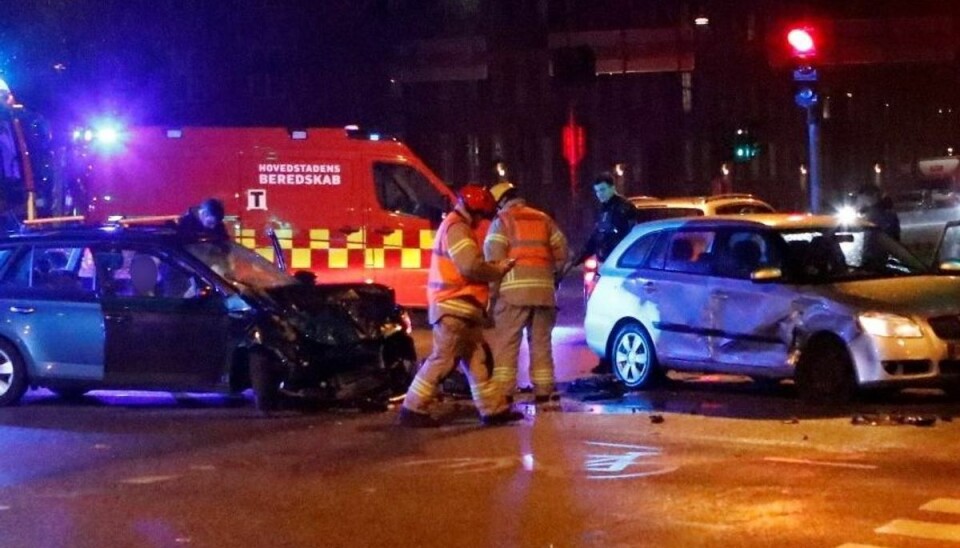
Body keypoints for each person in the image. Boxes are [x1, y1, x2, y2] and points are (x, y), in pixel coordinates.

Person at [399, 184, 523, 428]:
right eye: (481, 215)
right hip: (454, 306)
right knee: (443, 359)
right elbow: (470, 266)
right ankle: (412, 408)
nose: (481, 221)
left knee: (477, 362)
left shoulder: (456, 225)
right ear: (473, 210)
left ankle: (493, 410)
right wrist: (497, 269)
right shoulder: (457, 228)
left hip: (461, 308)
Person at [484, 181, 568, 404]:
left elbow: (493, 262)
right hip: (543, 293)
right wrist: (551, 275)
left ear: (501, 201)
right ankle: (543, 391)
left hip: (512, 294)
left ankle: (504, 393)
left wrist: (491, 296)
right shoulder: (542, 219)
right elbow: (563, 251)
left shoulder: (501, 222)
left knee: (507, 344)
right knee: (541, 342)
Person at [570, 173, 637, 267]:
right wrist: (581, 256)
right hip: (605, 260)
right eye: (597, 191)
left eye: (602, 190)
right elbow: (597, 235)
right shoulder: (603, 209)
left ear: (612, 188)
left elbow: (631, 235)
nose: (599, 194)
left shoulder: (624, 207)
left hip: (620, 261)